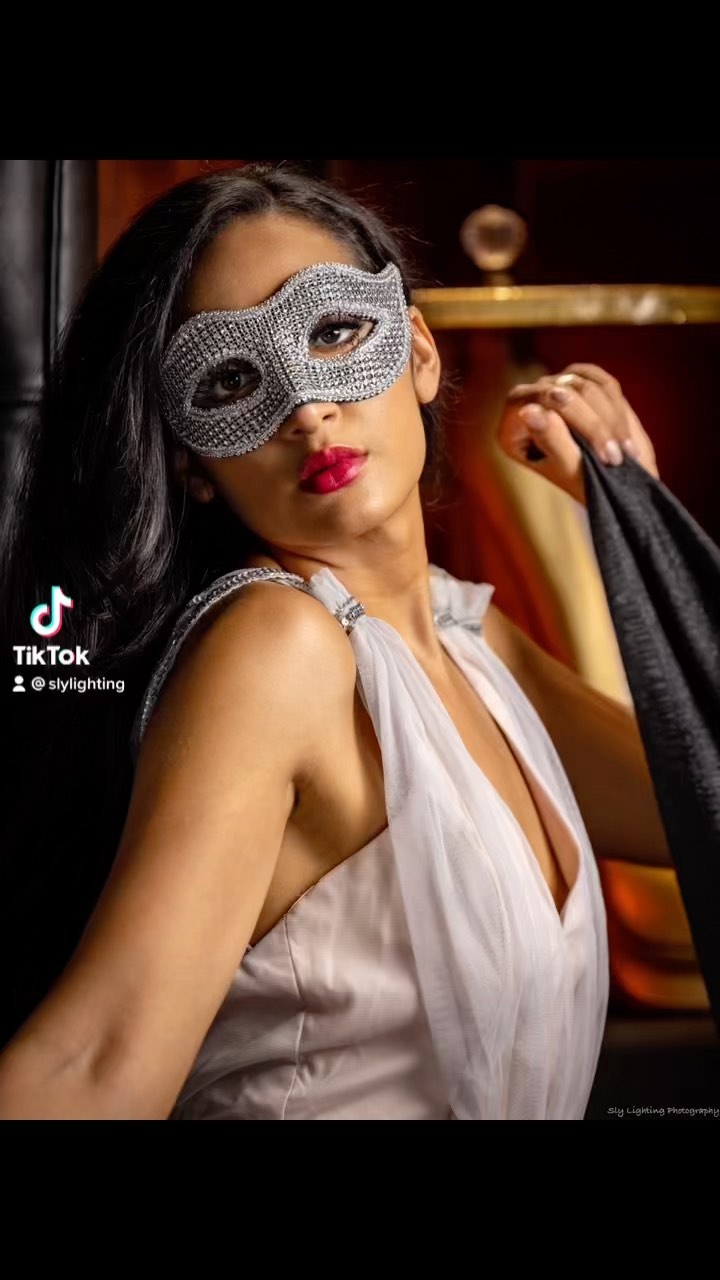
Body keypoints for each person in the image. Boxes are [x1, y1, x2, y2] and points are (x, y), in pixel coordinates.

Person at [0, 162, 672, 1120]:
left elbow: (701, 799)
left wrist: (635, 523)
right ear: (193, 463)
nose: (306, 407)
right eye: (232, 378)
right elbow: (96, 1066)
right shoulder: (279, 648)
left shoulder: (465, 638)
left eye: (333, 330)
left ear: (420, 353)